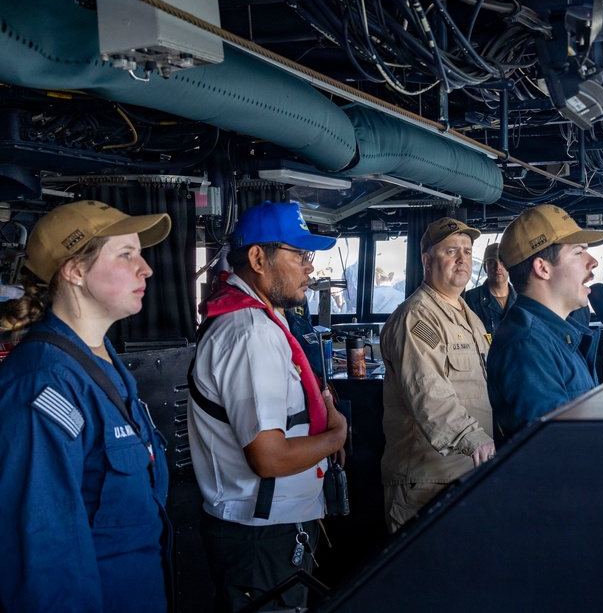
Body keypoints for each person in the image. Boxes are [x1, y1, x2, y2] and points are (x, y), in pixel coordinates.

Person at [0, 200, 172, 612]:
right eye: (126, 255)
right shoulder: (43, 383)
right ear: (75, 271)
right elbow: (42, 557)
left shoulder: (103, 363)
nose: (146, 269)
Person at [188, 201, 348, 612]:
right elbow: (269, 457)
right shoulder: (250, 335)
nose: (310, 267)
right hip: (261, 536)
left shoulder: (265, 322)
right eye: (299, 254)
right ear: (259, 259)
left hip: (271, 528)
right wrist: (336, 436)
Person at [380, 217, 494, 532]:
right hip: (427, 480)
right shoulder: (416, 318)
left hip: (464, 473)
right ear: (427, 261)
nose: (462, 259)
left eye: (468, 251)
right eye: (451, 251)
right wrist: (477, 441)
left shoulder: (467, 315)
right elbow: (428, 392)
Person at [487, 205, 603, 445]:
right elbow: (557, 452)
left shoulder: (552, 337)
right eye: (579, 252)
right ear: (543, 268)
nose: (593, 262)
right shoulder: (527, 347)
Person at [462, 242, 516, 337]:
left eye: (502, 262)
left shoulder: (522, 299)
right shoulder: (470, 300)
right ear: (485, 268)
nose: (498, 267)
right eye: (491, 262)